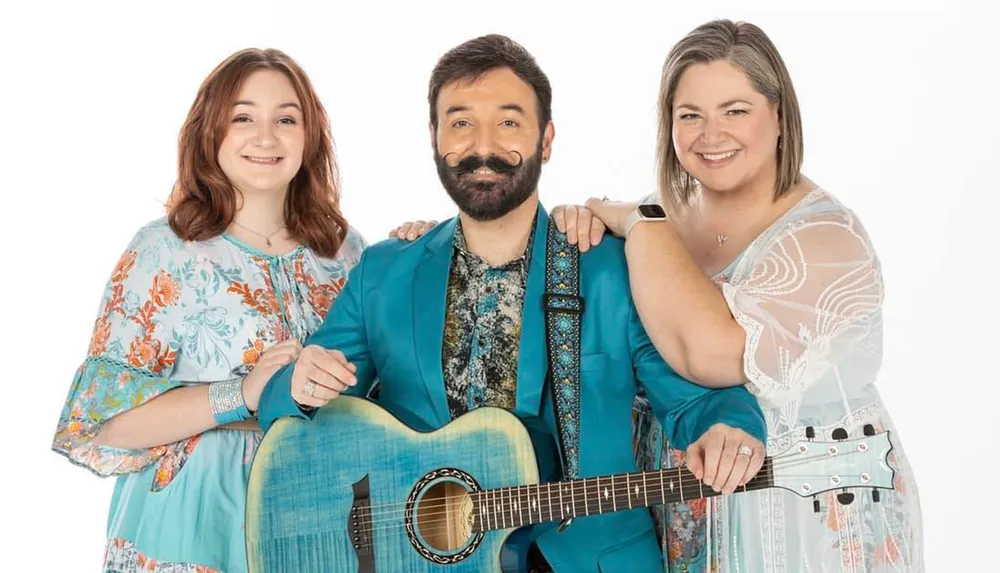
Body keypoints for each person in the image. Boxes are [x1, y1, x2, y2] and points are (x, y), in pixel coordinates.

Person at [257, 34, 768, 573]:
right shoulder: (386, 272)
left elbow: (695, 401)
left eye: (508, 122)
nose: (483, 146)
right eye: (460, 123)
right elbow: (292, 419)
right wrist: (297, 387)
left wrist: (730, 429)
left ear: (546, 139)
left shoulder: (609, 269)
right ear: (433, 137)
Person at [544, 19, 923, 573]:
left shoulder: (825, 238)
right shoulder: (657, 217)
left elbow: (713, 355)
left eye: (735, 110)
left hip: (805, 515)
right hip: (678, 509)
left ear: (778, 117)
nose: (710, 134)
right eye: (689, 115)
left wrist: (636, 220)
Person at [50, 48, 366, 572]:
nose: (265, 137)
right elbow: (100, 423)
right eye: (243, 117)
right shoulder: (164, 251)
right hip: (192, 524)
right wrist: (241, 393)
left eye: (286, 119)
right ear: (211, 131)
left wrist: (419, 248)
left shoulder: (346, 252)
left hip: (320, 522)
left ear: (309, 136)